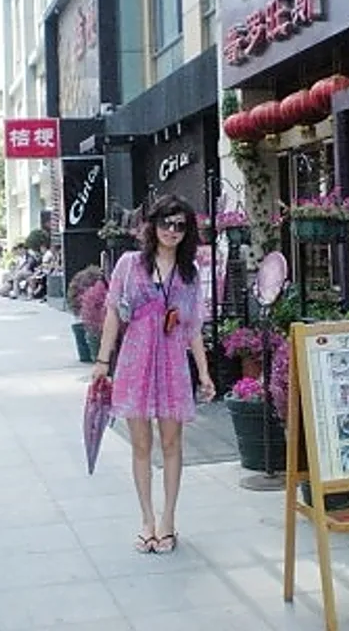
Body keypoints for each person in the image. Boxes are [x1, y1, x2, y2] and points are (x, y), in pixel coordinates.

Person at [93, 194, 216, 555]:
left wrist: (204, 373)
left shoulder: (190, 274)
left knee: (172, 443)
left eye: (180, 225)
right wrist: (102, 361)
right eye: (166, 222)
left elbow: (192, 327)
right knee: (141, 444)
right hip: (135, 360)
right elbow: (113, 312)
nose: (171, 231)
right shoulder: (130, 264)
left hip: (172, 364)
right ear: (153, 225)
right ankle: (146, 520)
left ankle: (168, 520)